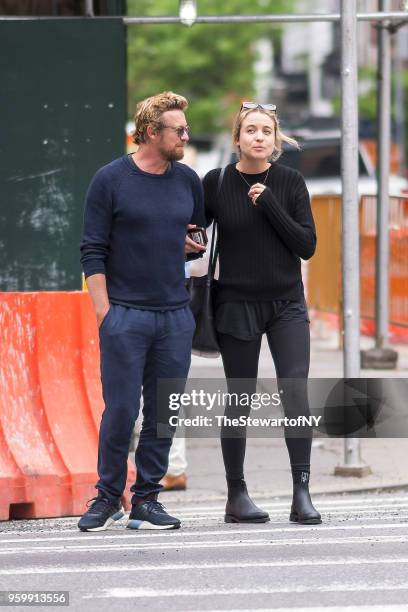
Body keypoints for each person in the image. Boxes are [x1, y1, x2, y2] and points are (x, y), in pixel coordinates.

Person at [78, 91, 206, 531]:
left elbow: (193, 238)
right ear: (151, 133)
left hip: (174, 314)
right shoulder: (110, 180)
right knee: (120, 411)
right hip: (125, 315)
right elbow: (92, 251)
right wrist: (105, 314)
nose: (185, 135)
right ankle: (108, 496)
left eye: (185, 129)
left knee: (164, 411)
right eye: (178, 130)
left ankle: (147, 500)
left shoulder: (188, 180)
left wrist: (190, 247)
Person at [202, 102, 321, 525]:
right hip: (235, 304)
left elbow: (306, 246)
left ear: (275, 140)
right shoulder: (215, 183)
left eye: (266, 131)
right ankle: (236, 494)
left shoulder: (289, 183)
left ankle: (302, 491)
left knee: (295, 391)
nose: (258, 137)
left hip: (286, 303)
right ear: (237, 139)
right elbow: (194, 232)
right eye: (250, 130)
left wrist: (269, 203)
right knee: (239, 398)